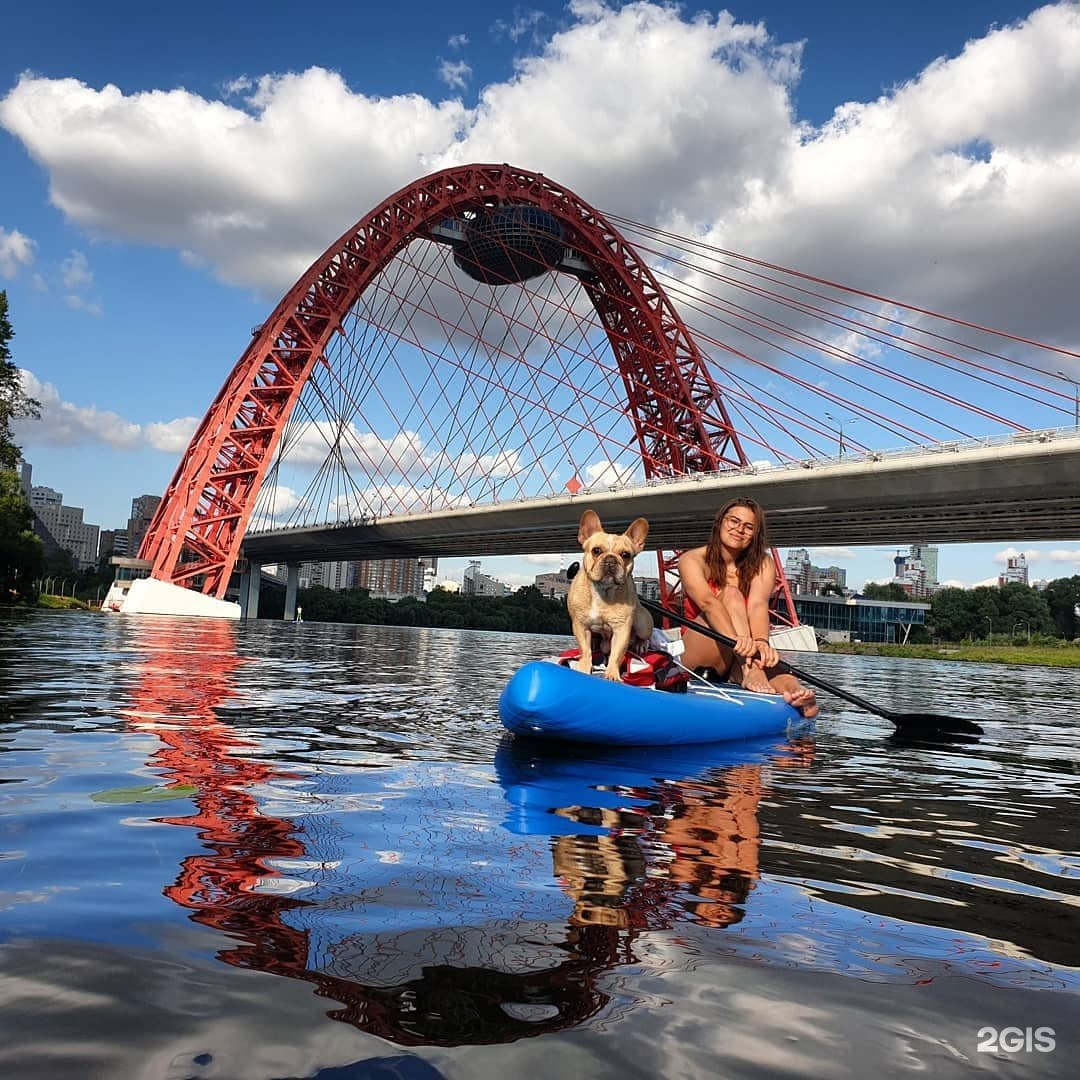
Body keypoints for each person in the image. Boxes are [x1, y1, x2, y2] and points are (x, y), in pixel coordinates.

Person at [679, 498, 818, 718]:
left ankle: (796, 693)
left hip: (743, 651)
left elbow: (757, 605)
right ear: (720, 522)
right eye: (733, 521)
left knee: (772, 666)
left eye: (748, 526)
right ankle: (750, 670)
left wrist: (762, 643)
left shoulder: (763, 563)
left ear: (755, 534)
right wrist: (743, 649)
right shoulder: (692, 559)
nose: (739, 529)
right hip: (700, 649)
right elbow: (708, 602)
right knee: (731, 594)